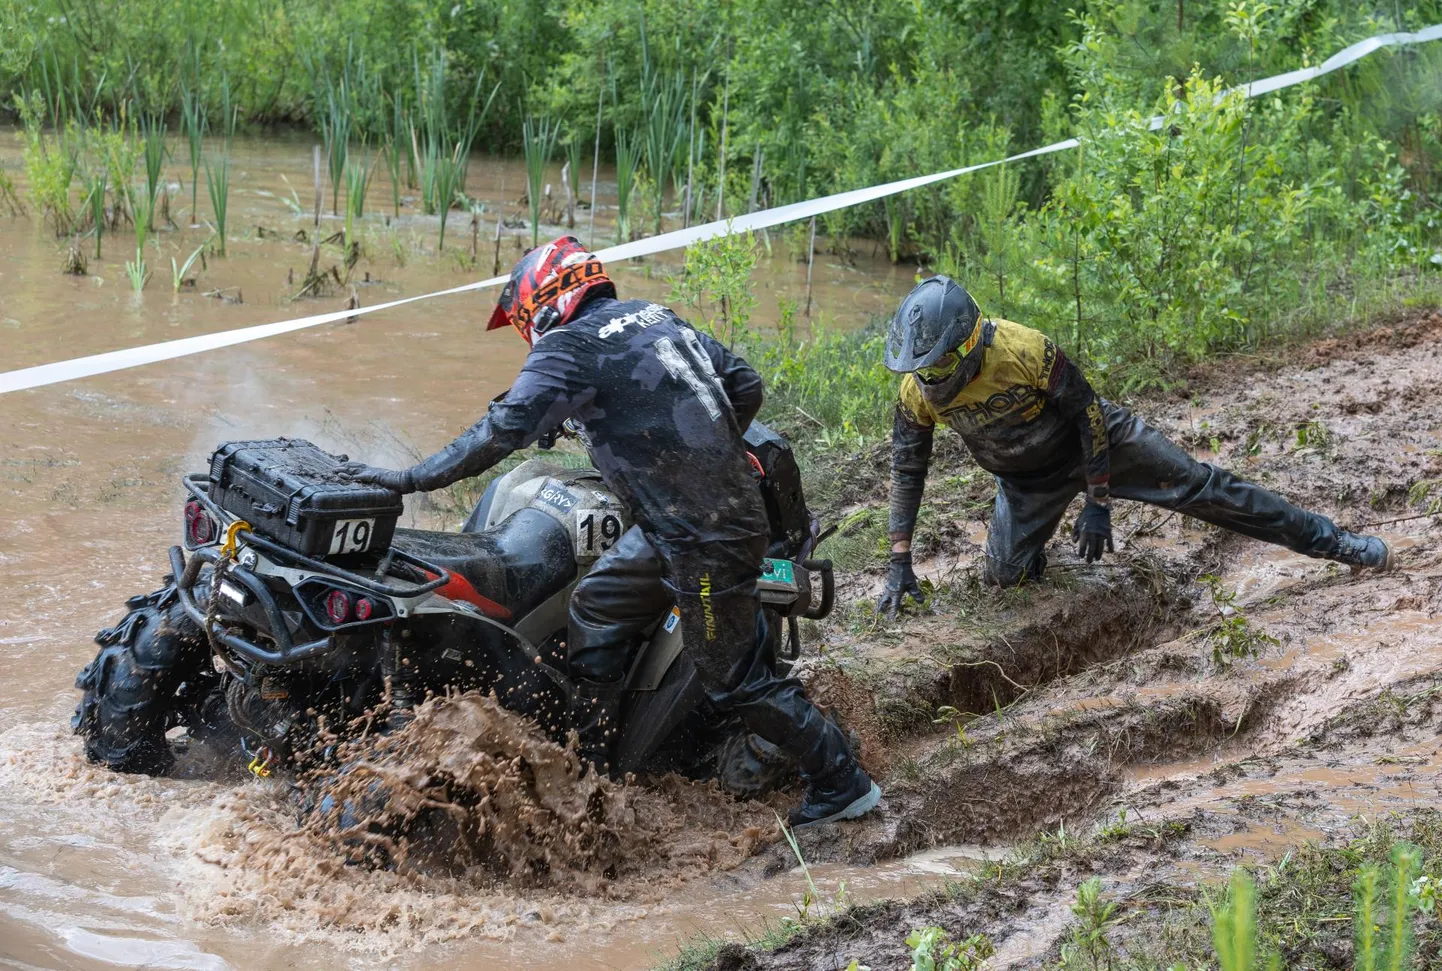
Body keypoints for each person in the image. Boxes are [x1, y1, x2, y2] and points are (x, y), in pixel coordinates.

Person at [339, 236, 880, 828]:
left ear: (543, 307)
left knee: (736, 680)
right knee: (599, 603)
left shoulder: (567, 348)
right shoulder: (656, 317)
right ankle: (594, 760)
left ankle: (841, 782)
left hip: (703, 537)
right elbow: (744, 384)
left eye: (523, 323)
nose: (528, 335)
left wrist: (408, 479)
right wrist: (696, 450)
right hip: (695, 516)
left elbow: (499, 432)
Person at [876, 274, 1396, 615]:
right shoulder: (915, 396)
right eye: (920, 367)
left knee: (1201, 487)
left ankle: (1333, 542)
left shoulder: (1023, 350)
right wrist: (899, 560)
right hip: (1025, 479)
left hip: (1103, 445)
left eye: (939, 363)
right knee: (1003, 577)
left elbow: (1088, 413)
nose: (930, 376)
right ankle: (1031, 546)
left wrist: (1098, 501)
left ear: (968, 343)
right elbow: (907, 469)